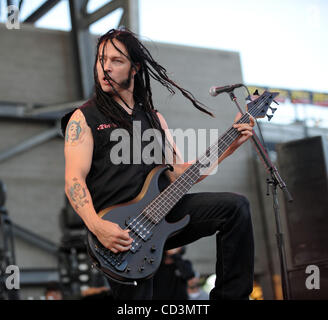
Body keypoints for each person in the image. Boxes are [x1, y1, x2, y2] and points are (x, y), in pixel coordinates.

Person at [61, 28, 255, 300]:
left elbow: (178, 174)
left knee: (235, 208)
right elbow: (74, 180)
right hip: (119, 233)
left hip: (163, 212)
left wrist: (229, 147)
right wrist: (96, 226)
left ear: (134, 68)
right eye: (101, 59)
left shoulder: (153, 118)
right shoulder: (83, 118)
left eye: (116, 61)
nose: (106, 67)